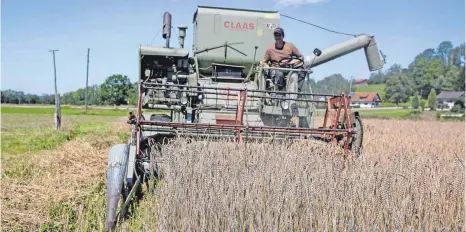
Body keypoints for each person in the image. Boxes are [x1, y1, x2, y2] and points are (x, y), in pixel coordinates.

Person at [261, 27, 304, 115]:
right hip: (276, 69)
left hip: (289, 69)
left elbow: (301, 57)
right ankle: (277, 98)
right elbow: (264, 61)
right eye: (276, 35)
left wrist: (292, 62)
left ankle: (292, 103)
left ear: (283, 36)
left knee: (294, 76)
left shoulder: (290, 46)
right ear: (274, 37)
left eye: (279, 35)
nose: (278, 37)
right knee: (278, 74)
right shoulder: (270, 49)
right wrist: (267, 67)